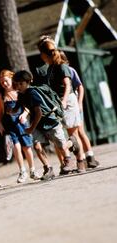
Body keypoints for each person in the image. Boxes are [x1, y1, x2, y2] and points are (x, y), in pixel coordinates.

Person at [37, 36, 86, 173]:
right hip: (58, 102)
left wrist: (64, 100)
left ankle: (80, 161)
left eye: (41, 53)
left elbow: (68, 85)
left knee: (73, 133)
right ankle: (69, 160)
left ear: (45, 54)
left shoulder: (61, 66)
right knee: (60, 133)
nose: (40, 56)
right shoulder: (50, 68)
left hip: (68, 100)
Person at [13, 70, 75, 178]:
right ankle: (48, 168)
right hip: (37, 124)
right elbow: (16, 108)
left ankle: (71, 143)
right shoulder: (21, 95)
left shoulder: (32, 93)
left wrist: (31, 128)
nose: (18, 86)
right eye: (16, 84)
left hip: (49, 121)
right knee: (37, 146)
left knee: (62, 146)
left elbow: (39, 112)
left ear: (28, 82)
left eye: (21, 84)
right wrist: (9, 110)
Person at [0, 70, 42, 183]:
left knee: (27, 147)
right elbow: (0, 111)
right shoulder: (0, 95)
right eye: (2, 82)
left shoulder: (19, 91)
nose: (4, 84)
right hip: (9, 124)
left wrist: (24, 114)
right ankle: (22, 171)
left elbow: (28, 106)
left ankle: (32, 170)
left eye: (6, 81)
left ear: (11, 79)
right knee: (16, 146)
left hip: (22, 123)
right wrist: (0, 125)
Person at [59, 51, 100, 169]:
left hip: (73, 104)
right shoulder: (55, 72)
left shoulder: (70, 70)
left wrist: (80, 102)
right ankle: (83, 159)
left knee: (80, 132)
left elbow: (80, 87)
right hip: (68, 105)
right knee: (75, 133)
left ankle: (90, 157)